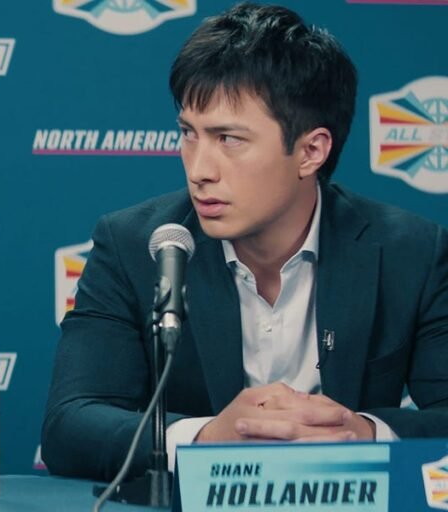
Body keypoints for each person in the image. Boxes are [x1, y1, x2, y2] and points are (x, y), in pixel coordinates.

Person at [42, 2, 448, 481]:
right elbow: (70, 424)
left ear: (311, 151)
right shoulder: (134, 245)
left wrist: (364, 433)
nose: (199, 169)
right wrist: (205, 439)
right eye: (189, 134)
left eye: (229, 139)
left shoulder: (411, 253)